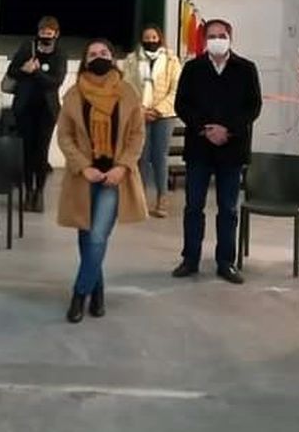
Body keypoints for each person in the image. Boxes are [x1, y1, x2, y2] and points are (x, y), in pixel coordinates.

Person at [57, 38, 147, 322]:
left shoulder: (128, 93)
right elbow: (65, 136)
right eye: (93, 54)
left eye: (104, 52)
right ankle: (98, 291)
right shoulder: (73, 95)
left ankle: (79, 294)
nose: (99, 57)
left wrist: (122, 166)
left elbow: (136, 135)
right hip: (84, 178)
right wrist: (83, 167)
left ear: (112, 57)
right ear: (84, 61)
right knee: (86, 237)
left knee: (97, 236)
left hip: (114, 178)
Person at [172, 19, 262, 284]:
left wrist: (227, 130)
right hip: (199, 148)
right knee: (193, 207)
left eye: (221, 35)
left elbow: (253, 107)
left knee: (228, 209)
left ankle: (226, 262)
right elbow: (182, 104)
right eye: (212, 36)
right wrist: (206, 128)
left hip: (232, 149)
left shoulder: (246, 69)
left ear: (230, 37)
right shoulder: (193, 68)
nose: (217, 39)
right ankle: (190, 259)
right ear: (205, 40)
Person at [119, 24, 181, 219]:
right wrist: (141, 111)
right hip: (140, 114)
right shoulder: (131, 60)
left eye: (154, 37)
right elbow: (126, 87)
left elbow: (176, 88)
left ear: (160, 38)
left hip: (165, 115)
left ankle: (162, 198)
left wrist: (158, 109)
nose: (151, 40)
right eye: (147, 37)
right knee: (141, 157)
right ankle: (141, 198)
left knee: (159, 156)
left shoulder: (171, 60)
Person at [6, 16, 67, 213]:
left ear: (56, 34)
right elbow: (12, 71)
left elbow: (55, 81)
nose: (45, 37)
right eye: (42, 33)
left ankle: (39, 193)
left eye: (49, 34)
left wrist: (36, 72)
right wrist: (25, 70)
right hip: (25, 109)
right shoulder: (27, 48)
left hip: (47, 112)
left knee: (41, 153)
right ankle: (28, 191)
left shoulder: (60, 54)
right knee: (26, 152)